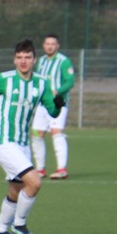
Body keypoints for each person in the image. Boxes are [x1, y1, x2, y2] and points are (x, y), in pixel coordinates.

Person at [0, 38, 65, 234]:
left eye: (27, 57)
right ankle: (19, 224)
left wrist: (58, 105)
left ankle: (0, 229)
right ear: (14, 59)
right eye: (19, 57)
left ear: (34, 60)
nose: (23, 61)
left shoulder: (42, 83)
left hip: (22, 144)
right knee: (35, 182)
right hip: (3, 141)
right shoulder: (3, 79)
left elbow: (52, 112)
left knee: (17, 188)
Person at [31, 34, 76, 179]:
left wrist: (58, 91)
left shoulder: (64, 61)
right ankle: (40, 169)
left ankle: (61, 169)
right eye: (47, 44)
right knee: (36, 134)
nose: (50, 46)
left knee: (56, 132)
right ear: (43, 45)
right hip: (42, 104)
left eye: (53, 44)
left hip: (57, 103)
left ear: (57, 46)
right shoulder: (41, 61)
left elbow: (70, 81)